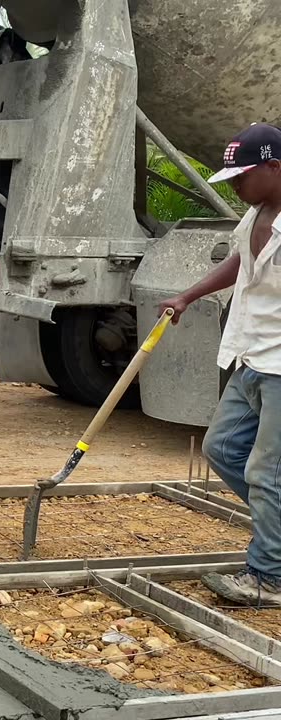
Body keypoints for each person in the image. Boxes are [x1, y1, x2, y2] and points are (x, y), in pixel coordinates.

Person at [160, 122, 281, 605]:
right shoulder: (258, 212)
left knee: (267, 473)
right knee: (224, 449)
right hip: (251, 353)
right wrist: (189, 294)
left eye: (242, 176)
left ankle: (268, 577)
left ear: (275, 166)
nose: (234, 186)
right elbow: (240, 263)